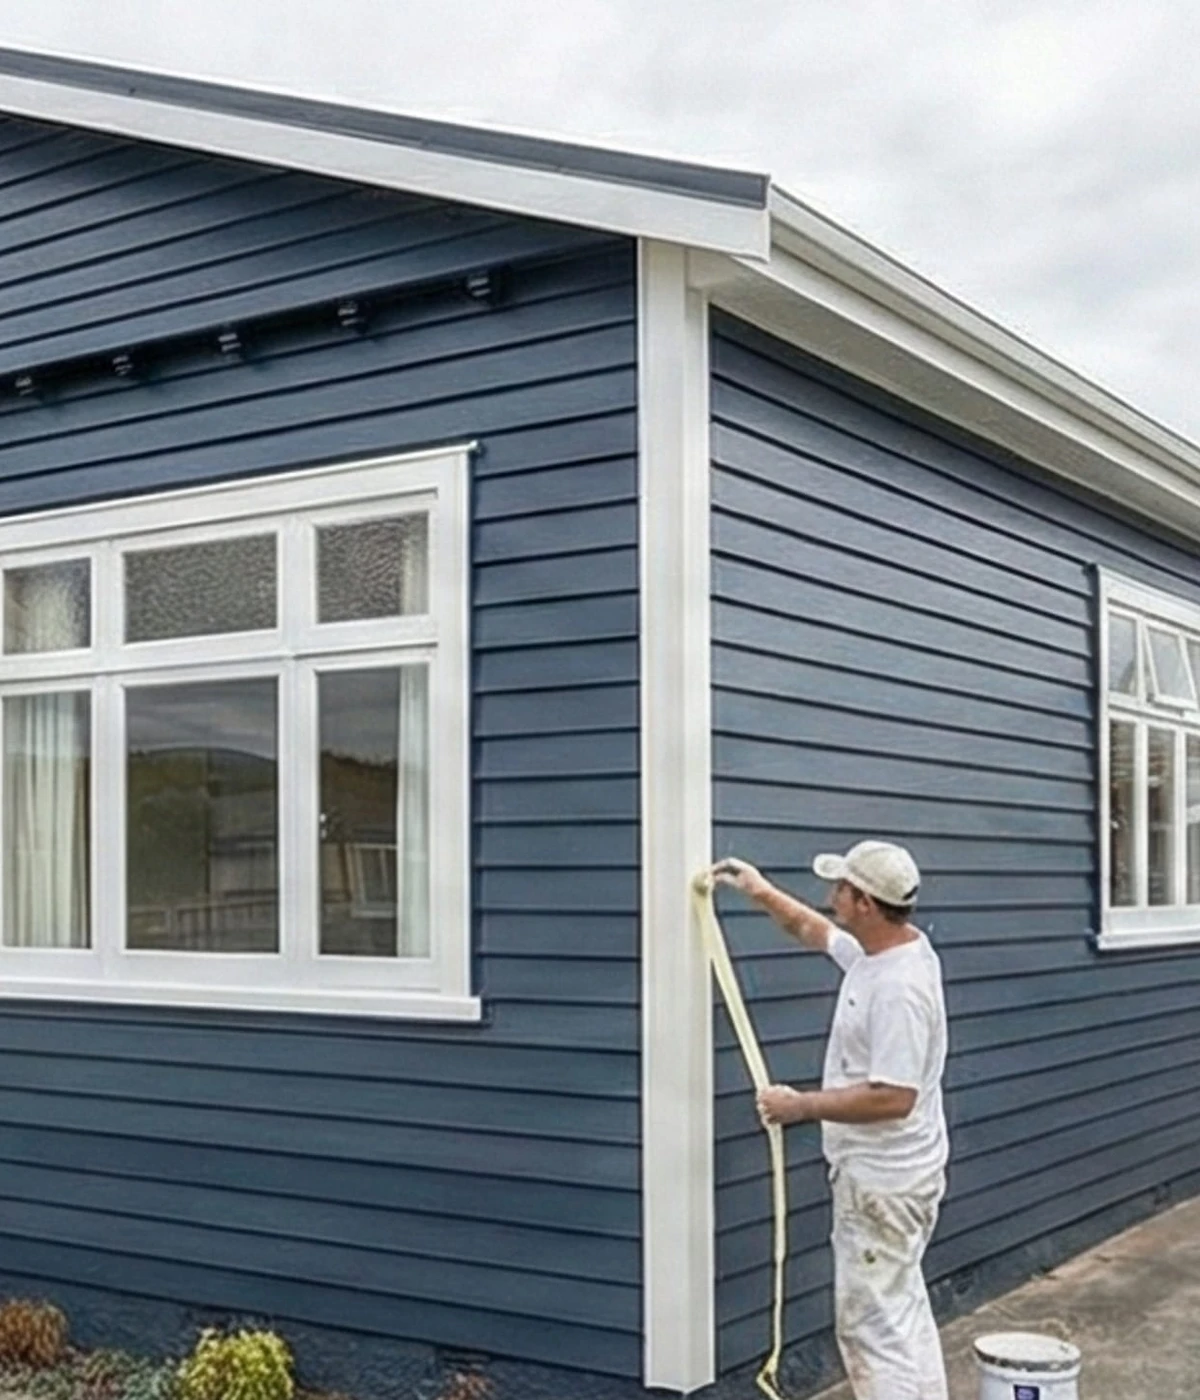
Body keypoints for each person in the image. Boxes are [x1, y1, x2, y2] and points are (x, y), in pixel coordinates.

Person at [712, 840, 949, 1400]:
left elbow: (894, 1097)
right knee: (900, 1310)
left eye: (840, 889)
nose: (829, 897)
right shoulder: (888, 952)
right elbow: (816, 932)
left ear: (865, 902)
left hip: (884, 1184)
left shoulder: (898, 989)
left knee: (874, 1329)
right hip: (891, 1179)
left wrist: (800, 1106)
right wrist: (760, 890)